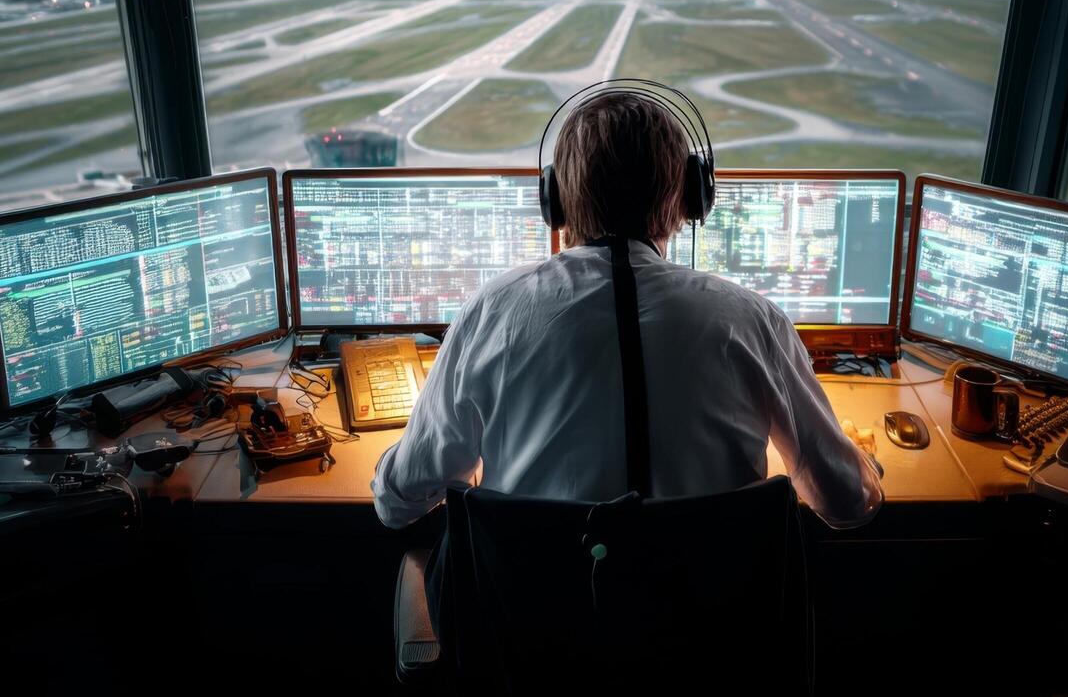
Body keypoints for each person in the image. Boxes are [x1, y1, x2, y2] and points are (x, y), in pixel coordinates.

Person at [371, 89, 883, 529]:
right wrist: (854, 458)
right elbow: (846, 503)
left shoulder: (491, 314)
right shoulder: (753, 320)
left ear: (556, 199)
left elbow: (398, 503)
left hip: (534, 636)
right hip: (709, 629)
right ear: (690, 197)